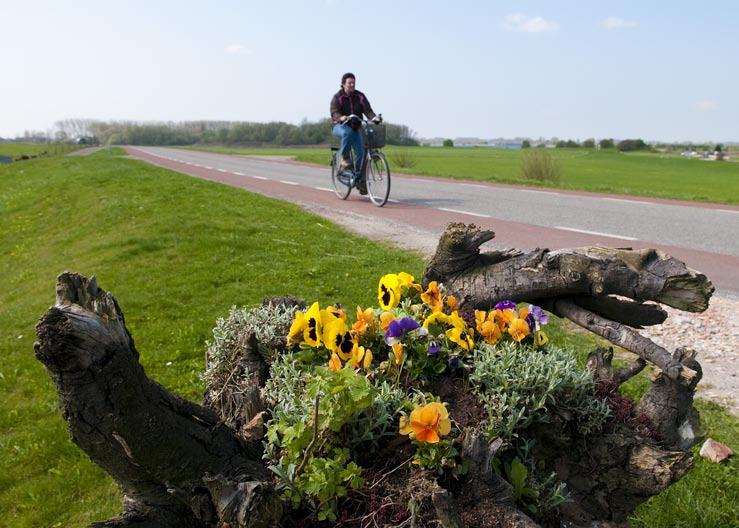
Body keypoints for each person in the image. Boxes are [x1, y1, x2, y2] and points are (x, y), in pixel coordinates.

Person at [330, 72, 382, 194]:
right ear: (343, 84)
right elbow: (334, 112)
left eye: (353, 83)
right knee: (347, 133)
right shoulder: (337, 97)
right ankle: (344, 157)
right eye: (349, 83)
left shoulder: (360, 96)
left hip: (355, 127)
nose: (352, 85)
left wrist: (374, 118)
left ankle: (359, 178)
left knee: (361, 153)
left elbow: (368, 111)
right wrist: (341, 117)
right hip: (339, 126)